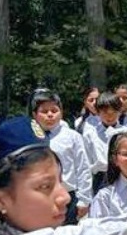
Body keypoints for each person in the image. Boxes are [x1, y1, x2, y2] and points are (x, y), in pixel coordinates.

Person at [31, 89, 93, 225]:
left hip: (67, 196)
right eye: (44, 111)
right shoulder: (29, 137)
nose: (50, 115)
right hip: (38, 197)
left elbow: (83, 168)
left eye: (54, 111)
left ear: (61, 112)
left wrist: (84, 200)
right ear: (35, 114)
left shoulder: (72, 137)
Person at [83, 91, 127, 194]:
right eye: (105, 112)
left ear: (120, 111)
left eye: (114, 112)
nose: (110, 116)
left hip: (123, 177)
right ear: (98, 112)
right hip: (99, 179)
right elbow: (86, 163)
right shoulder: (90, 134)